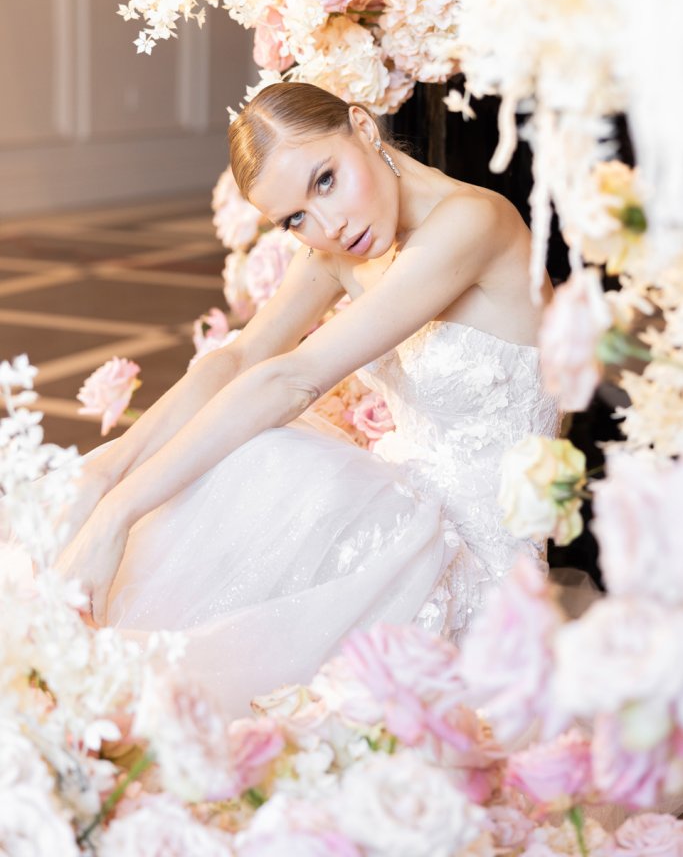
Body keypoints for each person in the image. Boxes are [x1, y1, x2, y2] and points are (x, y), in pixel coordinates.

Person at [56, 82, 559, 716]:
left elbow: (294, 380)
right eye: (295, 219)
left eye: (326, 180)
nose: (328, 226)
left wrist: (119, 513)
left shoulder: (475, 221)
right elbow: (239, 358)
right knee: (239, 463)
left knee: (268, 454)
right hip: (410, 514)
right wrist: (105, 472)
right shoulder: (342, 245)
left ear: (364, 127)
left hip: (483, 558)